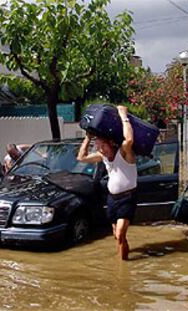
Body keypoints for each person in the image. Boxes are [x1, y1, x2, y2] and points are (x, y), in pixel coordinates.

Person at [77, 105, 137, 260]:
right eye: (98, 147)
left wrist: (123, 115)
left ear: (111, 143)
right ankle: (123, 261)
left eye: (102, 145)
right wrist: (88, 138)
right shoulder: (103, 157)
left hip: (127, 198)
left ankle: (123, 268)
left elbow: (129, 139)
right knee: (118, 237)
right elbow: (81, 158)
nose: (101, 149)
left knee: (120, 233)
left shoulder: (124, 153)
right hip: (112, 199)